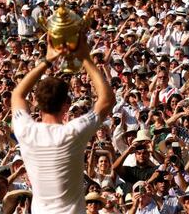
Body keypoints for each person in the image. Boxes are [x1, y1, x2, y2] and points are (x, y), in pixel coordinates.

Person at [11, 32, 115, 213]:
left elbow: (17, 95)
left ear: (36, 102)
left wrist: (47, 60)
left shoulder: (25, 130)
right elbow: (106, 99)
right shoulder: (72, 132)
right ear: (65, 105)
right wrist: (84, 57)